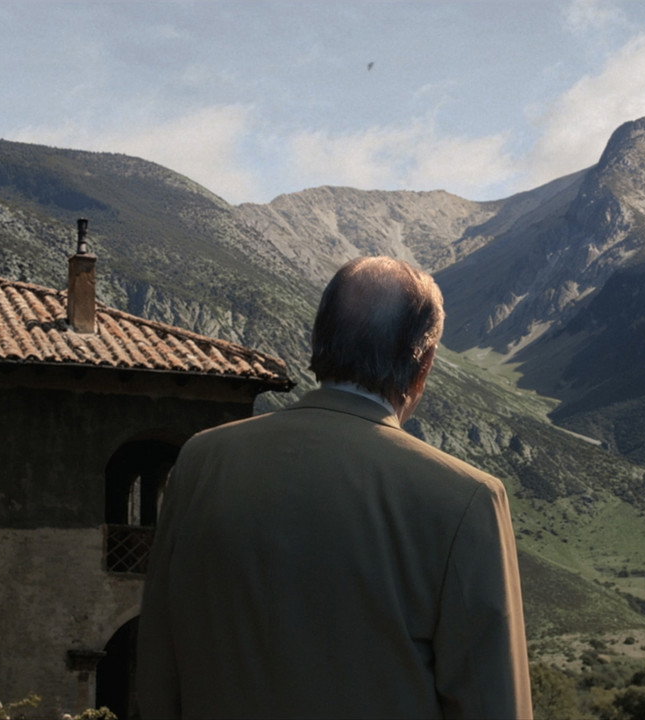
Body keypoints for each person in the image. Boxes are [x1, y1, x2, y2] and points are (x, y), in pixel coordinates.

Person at [137, 257, 532, 719]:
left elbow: (158, 672)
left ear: (318, 343)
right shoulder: (467, 499)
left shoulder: (200, 463)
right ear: (423, 365)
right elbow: (493, 706)